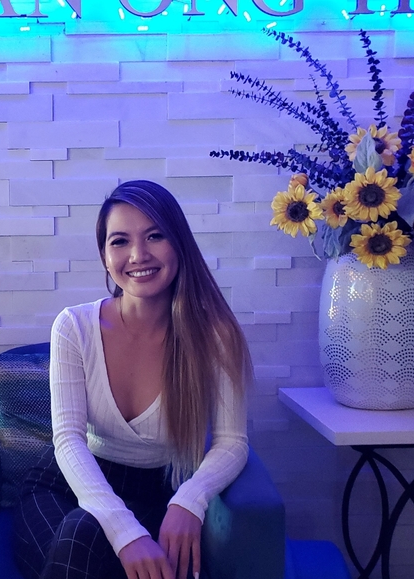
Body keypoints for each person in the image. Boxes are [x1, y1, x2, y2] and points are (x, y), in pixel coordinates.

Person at [13, 180, 252, 579]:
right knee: (80, 534)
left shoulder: (214, 335)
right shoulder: (73, 327)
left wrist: (190, 501)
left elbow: (233, 442)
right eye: (120, 241)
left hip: (159, 492)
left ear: (179, 243)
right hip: (65, 486)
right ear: (105, 257)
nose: (138, 255)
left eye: (155, 236)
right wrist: (125, 533)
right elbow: (68, 439)